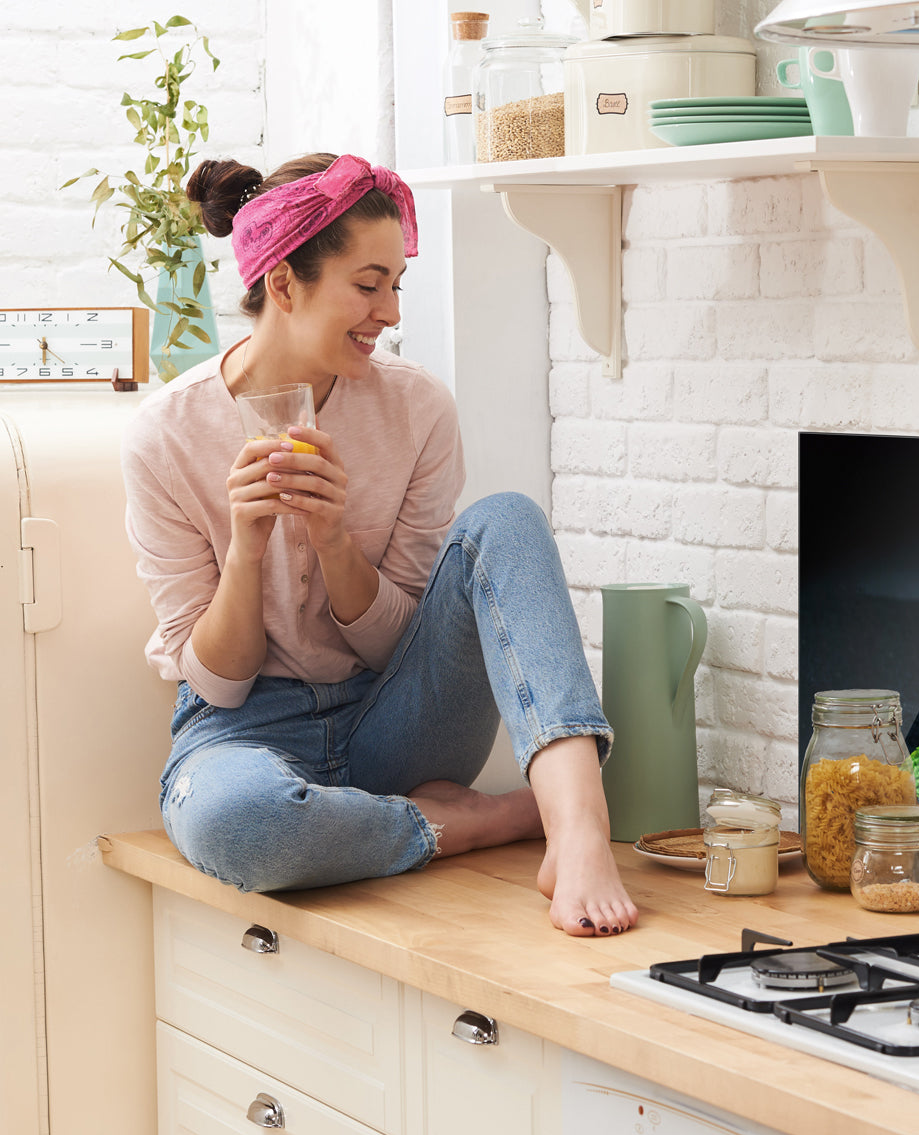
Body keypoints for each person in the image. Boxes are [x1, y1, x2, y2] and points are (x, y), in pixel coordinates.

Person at [121, 152, 637, 937]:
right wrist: (248, 550)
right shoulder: (165, 435)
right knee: (239, 826)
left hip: (394, 716)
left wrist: (335, 542)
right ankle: (471, 822)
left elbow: (401, 641)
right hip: (244, 733)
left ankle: (578, 828)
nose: (390, 312)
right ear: (286, 283)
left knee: (506, 519)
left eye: (397, 284)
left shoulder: (418, 407)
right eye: (368, 285)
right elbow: (216, 686)